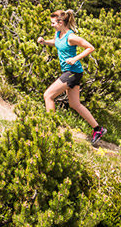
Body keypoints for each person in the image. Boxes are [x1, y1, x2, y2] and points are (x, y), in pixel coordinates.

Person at [37, 9, 107, 145]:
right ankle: (98, 129)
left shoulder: (71, 37)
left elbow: (90, 47)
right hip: (70, 72)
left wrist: (75, 58)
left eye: (53, 23)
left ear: (61, 22)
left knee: (48, 96)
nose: (51, 25)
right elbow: (57, 43)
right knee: (75, 104)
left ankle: (50, 128)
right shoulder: (58, 33)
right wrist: (45, 42)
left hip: (72, 72)